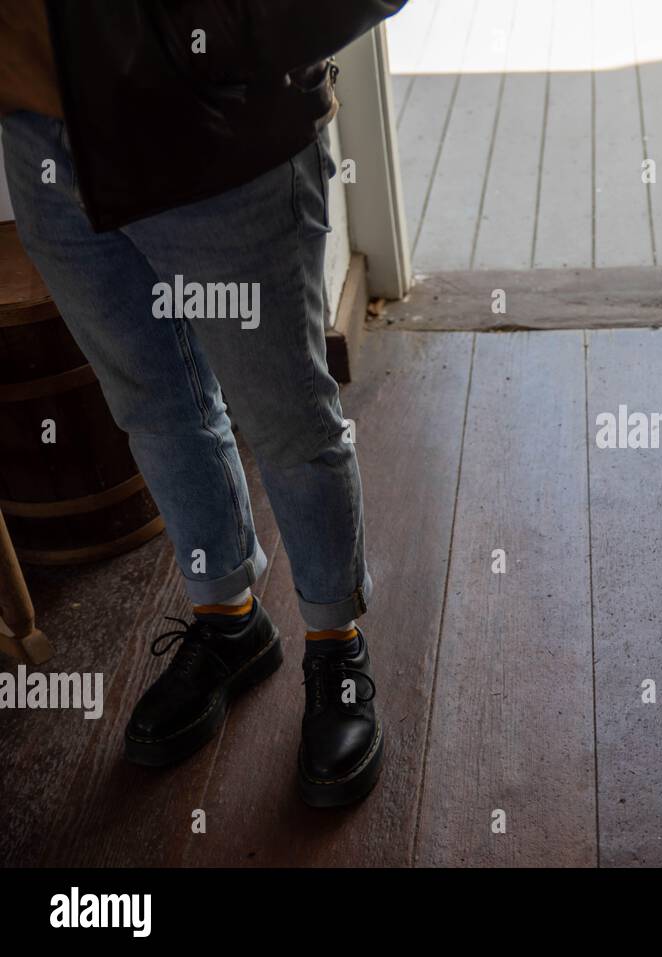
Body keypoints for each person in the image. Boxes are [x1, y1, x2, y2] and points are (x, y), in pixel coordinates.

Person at [0, 0, 407, 807]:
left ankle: (336, 647)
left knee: (288, 419)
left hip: (216, 138)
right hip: (39, 136)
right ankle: (229, 622)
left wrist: (208, 46)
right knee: (153, 405)